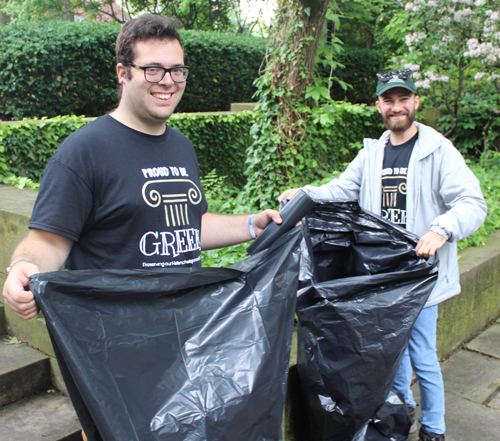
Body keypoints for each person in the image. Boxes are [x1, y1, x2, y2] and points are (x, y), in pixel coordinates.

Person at [2, 14, 282, 322]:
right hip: (113, 338)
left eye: (177, 70)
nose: (168, 81)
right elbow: (48, 240)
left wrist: (251, 225)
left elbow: (187, 226)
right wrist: (23, 267)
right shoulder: (84, 151)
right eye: (152, 70)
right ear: (123, 73)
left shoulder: (181, 147)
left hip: (183, 327)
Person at [279, 70, 487, 441]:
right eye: (388, 100)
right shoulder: (372, 152)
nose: (396, 107)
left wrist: (442, 229)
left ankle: (435, 429)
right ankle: (401, 412)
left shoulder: (438, 150)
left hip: (418, 277)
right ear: (378, 105)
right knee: (391, 354)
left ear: (415, 102)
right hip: (381, 278)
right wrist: (305, 193)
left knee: (423, 356)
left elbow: (472, 202)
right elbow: (343, 188)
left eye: (403, 99)